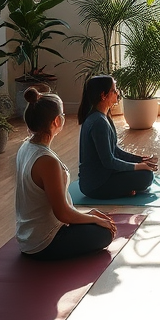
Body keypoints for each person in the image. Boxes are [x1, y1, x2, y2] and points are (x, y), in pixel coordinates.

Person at [15, 88, 117, 260]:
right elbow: (62, 213)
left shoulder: (26, 146)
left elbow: (57, 205)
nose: (64, 117)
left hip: (28, 238)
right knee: (105, 233)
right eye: (62, 114)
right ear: (56, 121)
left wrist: (89, 213)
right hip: (45, 242)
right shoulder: (47, 161)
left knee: (100, 222)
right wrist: (94, 219)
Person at [77, 75, 159, 199]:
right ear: (103, 95)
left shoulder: (103, 118)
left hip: (102, 176)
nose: (117, 93)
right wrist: (137, 167)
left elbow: (114, 150)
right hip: (96, 185)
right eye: (114, 91)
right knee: (146, 176)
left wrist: (139, 159)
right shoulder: (98, 122)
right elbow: (109, 161)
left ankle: (123, 190)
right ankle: (121, 191)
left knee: (145, 172)